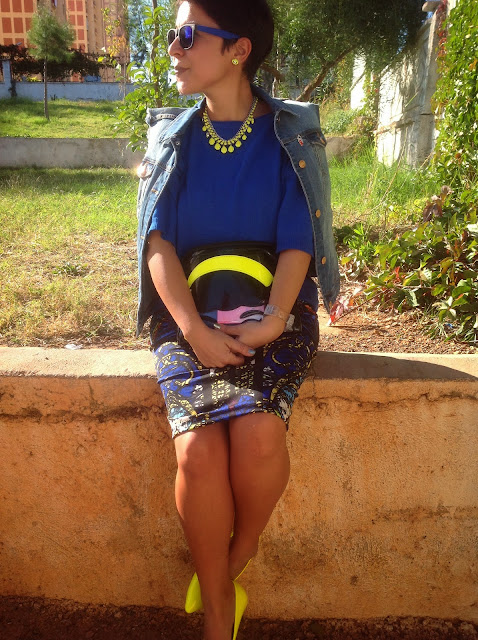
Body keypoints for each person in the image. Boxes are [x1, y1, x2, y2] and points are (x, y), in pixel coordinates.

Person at [136, 1, 340, 638]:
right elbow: (157, 245)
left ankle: (235, 556)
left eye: (187, 35)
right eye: (173, 36)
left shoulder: (289, 137)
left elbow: (299, 241)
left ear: (238, 49)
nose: (173, 49)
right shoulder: (172, 140)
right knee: (198, 449)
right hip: (187, 312)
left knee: (257, 434)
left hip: (276, 305)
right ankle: (220, 613)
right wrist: (194, 331)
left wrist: (275, 318)